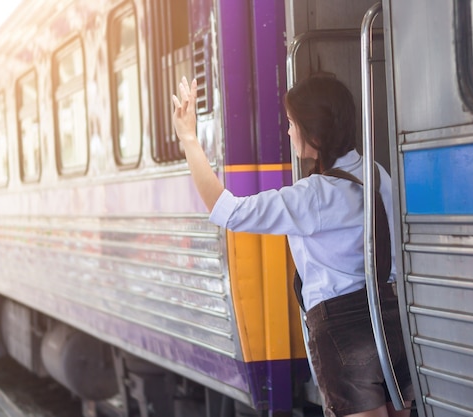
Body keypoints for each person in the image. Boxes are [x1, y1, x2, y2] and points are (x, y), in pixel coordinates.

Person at [172, 74, 414, 417]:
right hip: (390, 320)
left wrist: (189, 139)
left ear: (314, 135)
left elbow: (227, 210)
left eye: (291, 124)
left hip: (343, 331)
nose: (288, 132)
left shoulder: (313, 196)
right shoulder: (377, 174)